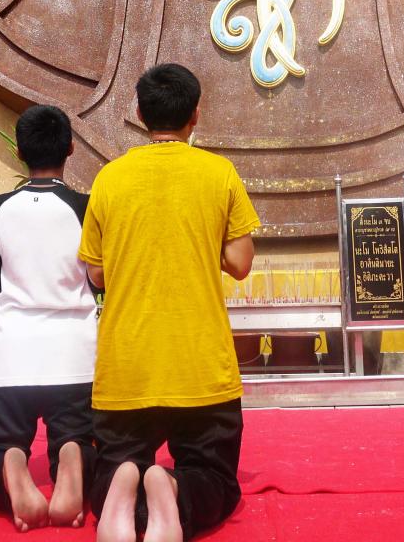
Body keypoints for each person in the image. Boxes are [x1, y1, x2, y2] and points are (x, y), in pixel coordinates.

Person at [79, 63, 259, 542]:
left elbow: (96, 272)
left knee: (114, 463)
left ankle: (120, 494)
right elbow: (240, 262)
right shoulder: (218, 173)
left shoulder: (110, 179)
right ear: (195, 115)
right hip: (199, 364)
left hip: (127, 364)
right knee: (216, 477)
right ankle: (175, 493)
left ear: (139, 113)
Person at [0, 104, 98, 531]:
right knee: (87, 440)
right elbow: (99, 279)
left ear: (20, 151)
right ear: (71, 148)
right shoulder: (84, 206)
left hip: (14, 356)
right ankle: (72, 454)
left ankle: (9, 457)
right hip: (74, 354)